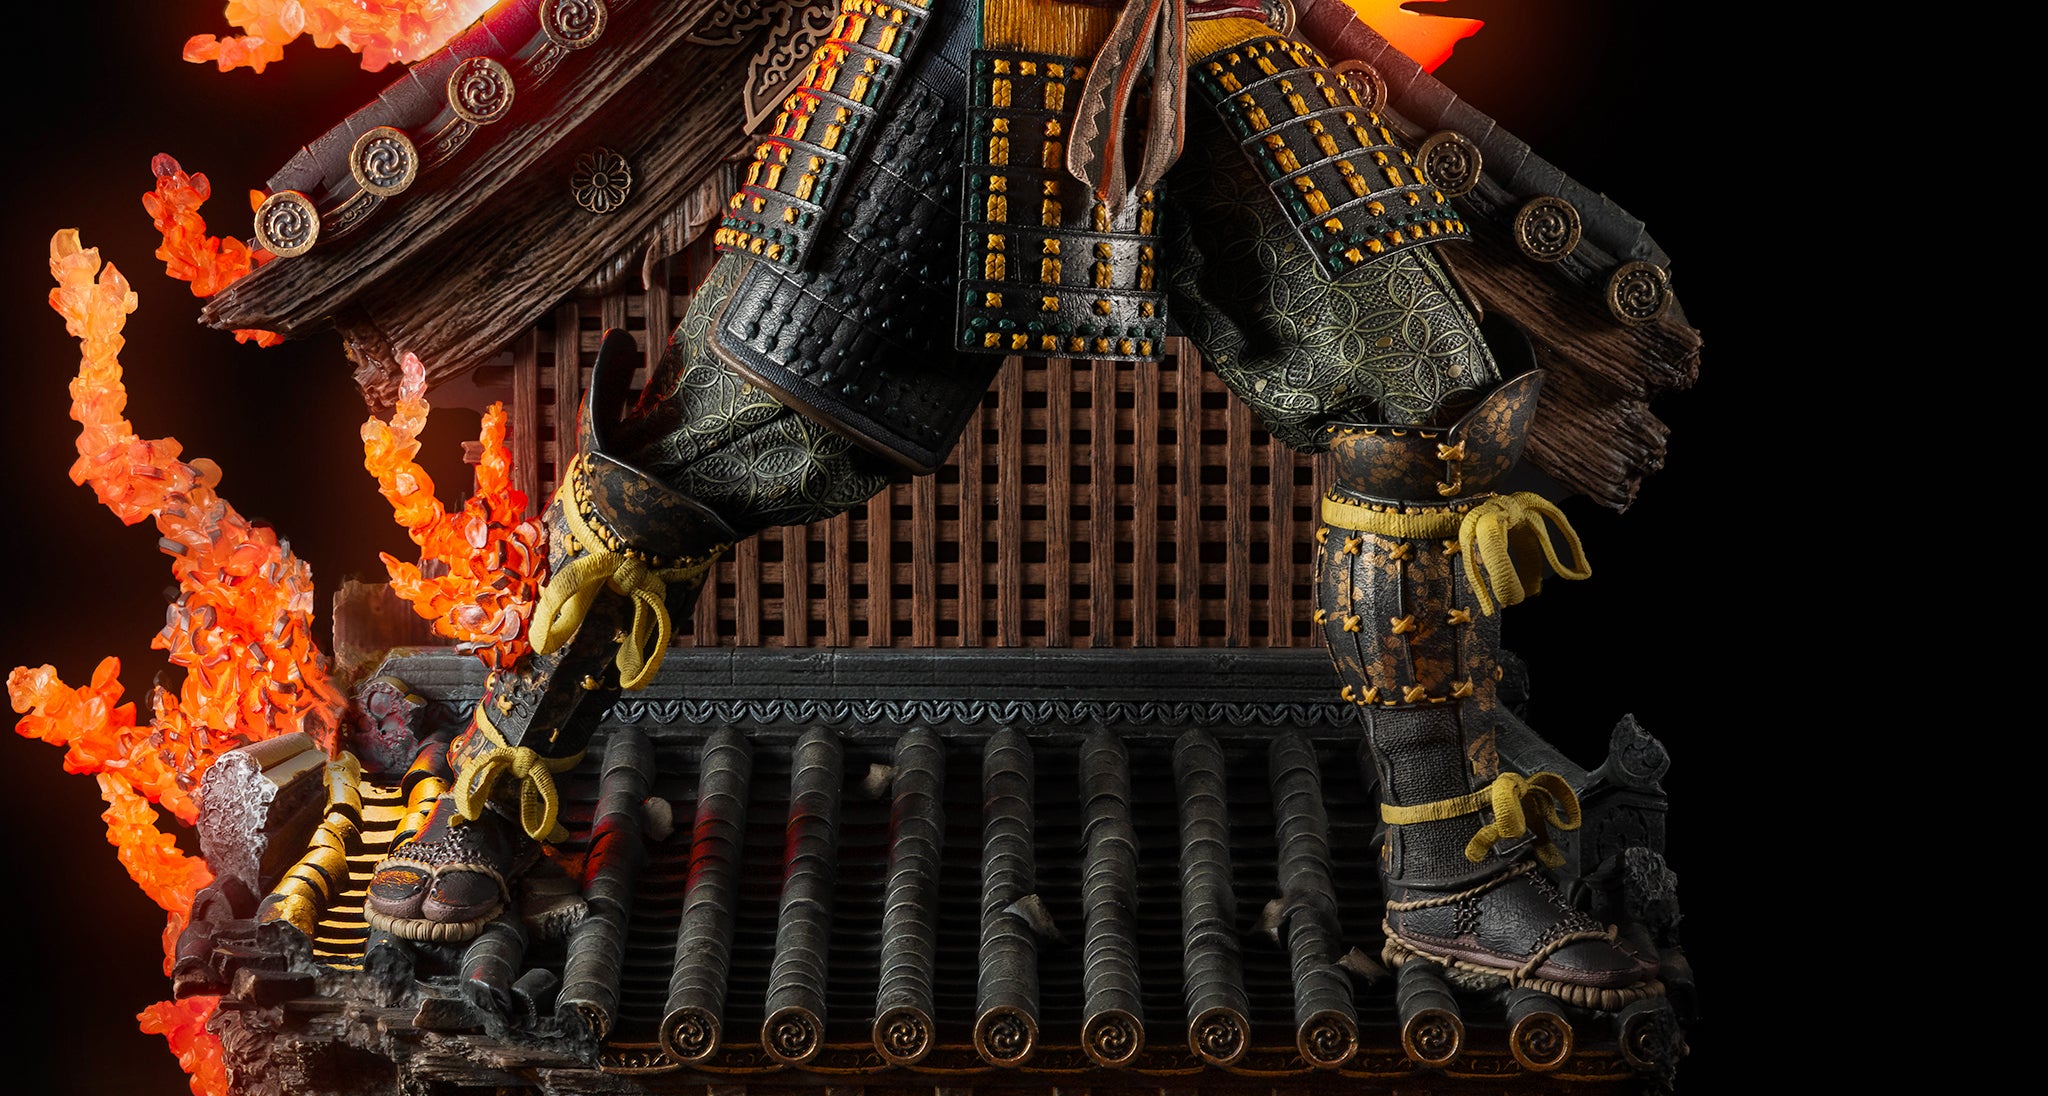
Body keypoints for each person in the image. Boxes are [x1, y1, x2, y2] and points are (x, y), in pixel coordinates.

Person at [366, 0, 1658, 1006]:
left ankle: (1450, 869)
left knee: (1430, 409)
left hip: (1201, 31)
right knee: (703, 437)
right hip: (954, 37)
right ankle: (485, 798)